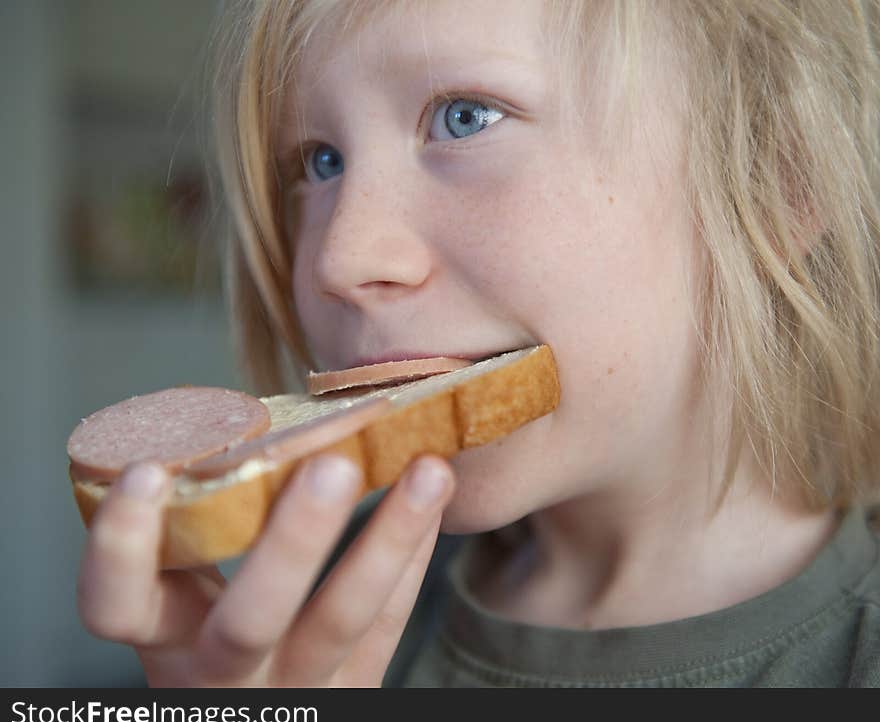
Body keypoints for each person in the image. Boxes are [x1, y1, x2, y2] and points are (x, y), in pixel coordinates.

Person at [77, 0, 880, 687]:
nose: (338, 260)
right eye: (319, 163)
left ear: (777, 182)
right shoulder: (339, 597)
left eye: (466, 117)